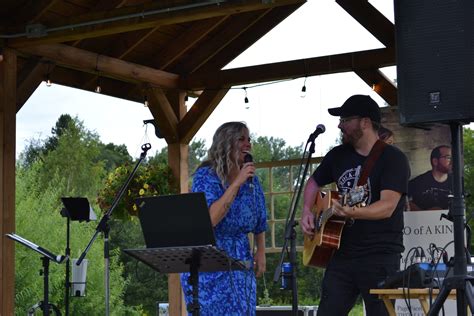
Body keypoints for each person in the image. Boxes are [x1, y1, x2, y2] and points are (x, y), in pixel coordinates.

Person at [300, 95, 410, 316]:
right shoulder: (337, 156)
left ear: (365, 122)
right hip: (342, 255)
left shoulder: (393, 159)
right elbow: (313, 182)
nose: (340, 125)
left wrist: (353, 212)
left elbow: (387, 206)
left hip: (380, 255)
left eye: (345, 119)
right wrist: (306, 211)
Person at [180, 121, 267, 315]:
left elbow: (260, 221)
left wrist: (261, 252)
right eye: (241, 139)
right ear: (226, 143)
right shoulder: (206, 176)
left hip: (240, 260)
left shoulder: (253, 181)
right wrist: (236, 183)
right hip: (208, 263)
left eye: (249, 139)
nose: (248, 144)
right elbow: (211, 219)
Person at [408, 145, 453, 211]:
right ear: (435, 161)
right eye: (448, 157)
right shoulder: (418, 182)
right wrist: (424, 213)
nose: (452, 161)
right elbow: (402, 200)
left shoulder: (458, 183)